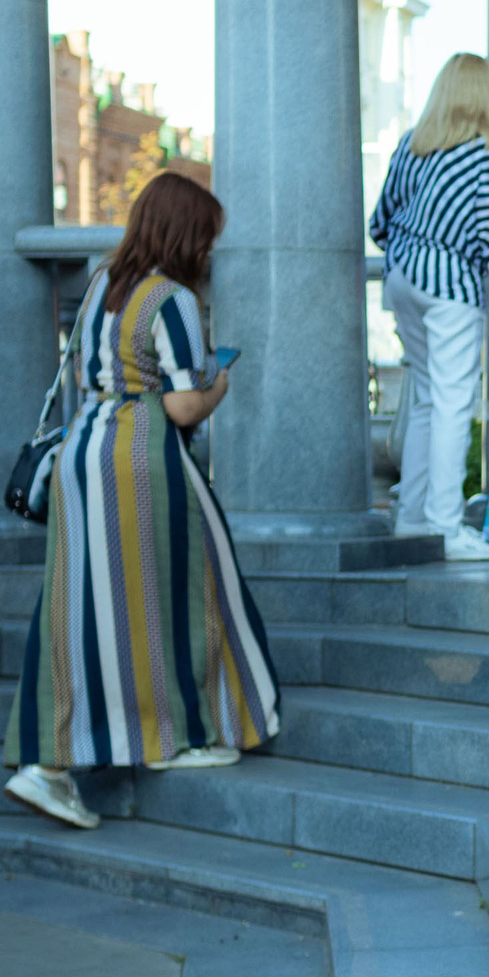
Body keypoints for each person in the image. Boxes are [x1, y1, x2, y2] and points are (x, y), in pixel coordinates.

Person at [6, 174, 283, 829]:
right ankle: (178, 735)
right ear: (187, 235)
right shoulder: (172, 299)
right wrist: (220, 385)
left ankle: (49, 762)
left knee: (84, 611)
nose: (209, 252)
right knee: (188, 588)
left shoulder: (104, 283)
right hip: (140, 456)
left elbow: (86, 377)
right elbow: (185, 401)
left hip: (81, 453)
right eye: (207, 238)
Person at [371, 52, 489, 563]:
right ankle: (447, 527)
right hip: (450, 283)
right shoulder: (483, 153)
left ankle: (412, 518)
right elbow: (488, 234)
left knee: (425, 400)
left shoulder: (410, 146)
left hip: (401, 277)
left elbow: (379, 221)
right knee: (454, 402)